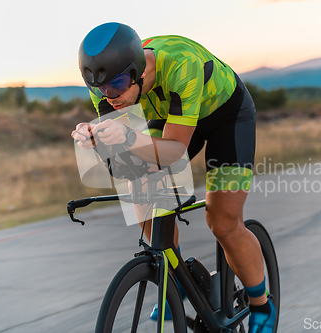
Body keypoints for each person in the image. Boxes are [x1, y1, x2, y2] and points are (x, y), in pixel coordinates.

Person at [71, 22, 276, 332]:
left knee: (222, 222)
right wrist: (96, 141)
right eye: (101, 88)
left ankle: (262, 306)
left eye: (118, 84)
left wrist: (126, 136)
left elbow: (174, 153)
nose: (110, 95)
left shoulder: (182, 65)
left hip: (227, 118)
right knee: (140, 181)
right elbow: (123, 164)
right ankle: (172, 275)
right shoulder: (105, 81)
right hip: (172, 114)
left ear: (138, 70)